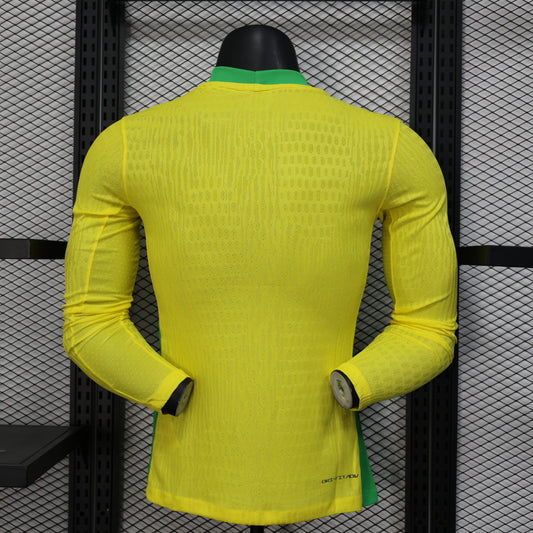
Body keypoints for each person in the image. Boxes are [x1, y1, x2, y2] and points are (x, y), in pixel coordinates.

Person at [63, 25, 457, 526]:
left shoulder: (123, 145)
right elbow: (430, 329)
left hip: (204, 441)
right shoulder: (393, 145)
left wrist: (167, 390)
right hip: (311, 439)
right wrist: (356, 384)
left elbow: (89, 320)